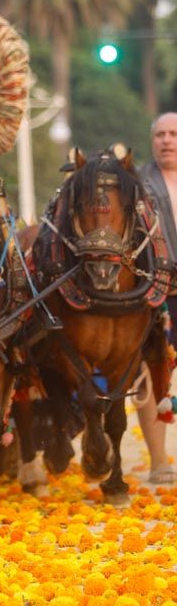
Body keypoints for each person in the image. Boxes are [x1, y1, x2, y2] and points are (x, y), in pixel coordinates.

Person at [137, 112, 177, 484]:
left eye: (174, 134)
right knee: (155, 373)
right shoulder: (137, 182)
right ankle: (159, 461)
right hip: (157, 290)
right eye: (160, 134)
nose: (167, 140)